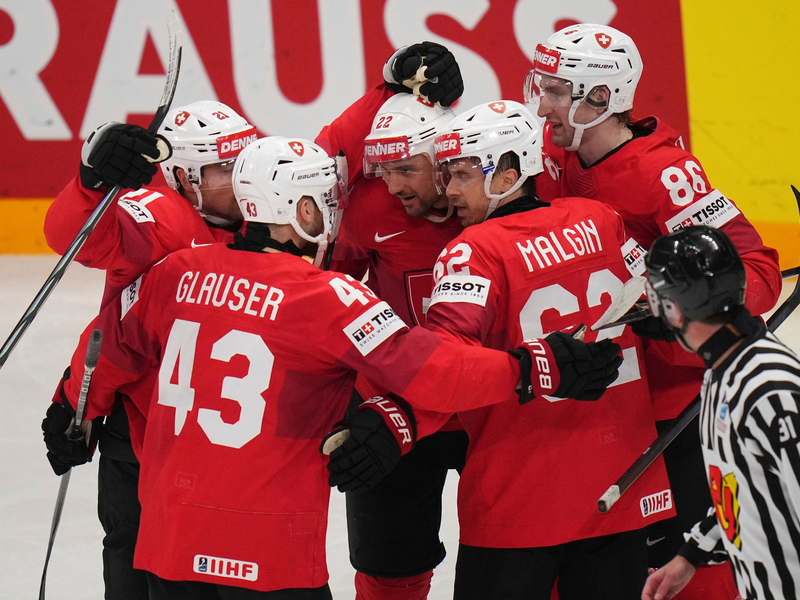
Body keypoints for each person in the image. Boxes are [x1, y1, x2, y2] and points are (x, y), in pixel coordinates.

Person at [42, 136, 620, 598]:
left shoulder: (175, 273)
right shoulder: (326, 297)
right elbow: (434, 371)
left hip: (169, 544)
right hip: (270, 553)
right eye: (326, 201)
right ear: (301, 210)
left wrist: (74, 408)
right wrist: (534, 366)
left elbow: (111, 345)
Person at [526, 23, 782, 597]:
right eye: (539, 86)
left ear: (601, 99)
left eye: (555, 91)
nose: (542, 105)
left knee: (693, 571)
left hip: (675, 404)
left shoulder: (664, 175)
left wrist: (672, 310)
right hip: (602, 402)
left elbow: (758, 274)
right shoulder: (553, 152)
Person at [411, 99, 672, 599]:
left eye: (463, 174)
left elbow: (442, 361)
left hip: (519, 495)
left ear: (509, 174)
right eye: (447, 174)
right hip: (619, 482)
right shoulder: (602, 219)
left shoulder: (473, 249)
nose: (449, 191)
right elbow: (659, 297)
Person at [41, 100, 257, 598]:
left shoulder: (261, 216)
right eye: (225, 168)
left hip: (219, 443)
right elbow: (79, 241)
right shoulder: (166, 217)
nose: (243, 178)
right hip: (142, 438)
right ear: (182, 177)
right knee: (135, 565)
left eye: (245, 160)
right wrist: (93, 183)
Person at [315, 44, 469, 599]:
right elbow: (327, 285)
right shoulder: (371, 207)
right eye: (385, 169)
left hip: (486, 406)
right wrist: (390, 84)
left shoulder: (497, 205)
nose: (394, 184)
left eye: (407, 169)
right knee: (387, 565)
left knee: (512, 563)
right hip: (394, 403)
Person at [640, 226, 800, 600]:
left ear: (673, 309)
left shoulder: (768, 389)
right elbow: (748, 483)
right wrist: (691, 555)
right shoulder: (722, 372)